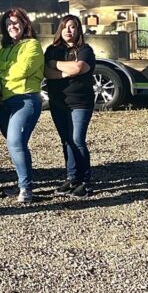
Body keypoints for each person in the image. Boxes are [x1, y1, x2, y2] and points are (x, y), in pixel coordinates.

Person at [0, 7, 44, 204]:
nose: (12, 26)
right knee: (15, 144)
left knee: (15, 142)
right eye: (8, 24)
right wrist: (7, 68)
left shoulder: (33, 46)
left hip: (25, 100)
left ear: (24, 24)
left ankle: (26, 188)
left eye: (15, 22)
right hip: (3, 102)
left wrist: (2, 70)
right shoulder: (4, 49)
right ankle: (22, 181)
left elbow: (23, 70)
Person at [44, 14, 96, 198]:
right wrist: (65, 73)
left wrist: (55, 65)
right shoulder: (51, 50)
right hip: (58, 102)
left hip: (80, 103)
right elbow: (46, 73)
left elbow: (79, 68)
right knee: (66, 140)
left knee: (77, 140)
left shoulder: (86, 50)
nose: (68, 30)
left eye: (72, 27)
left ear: (78, 30)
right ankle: (72, 177)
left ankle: (86, 182)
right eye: (65, 27)